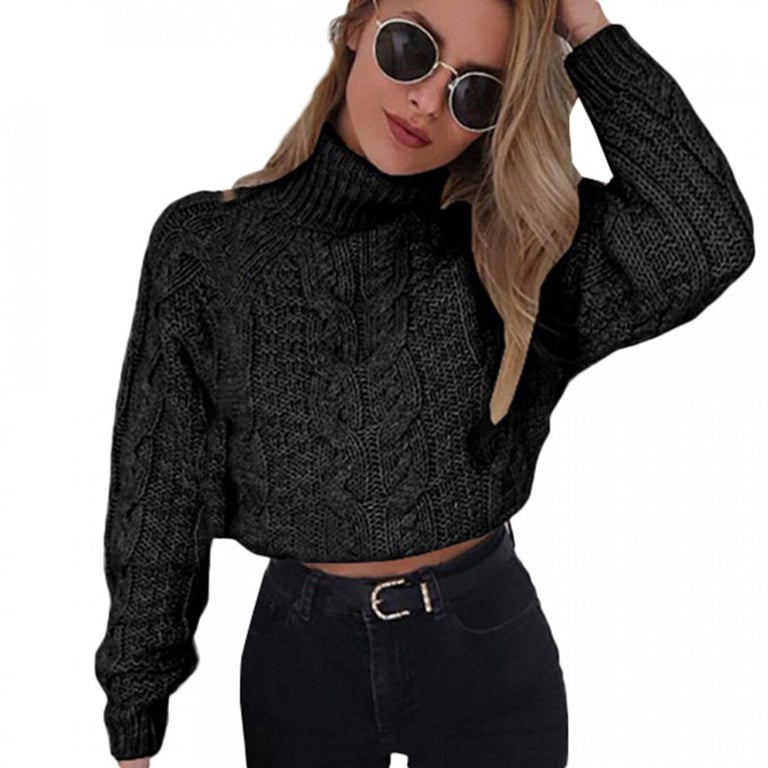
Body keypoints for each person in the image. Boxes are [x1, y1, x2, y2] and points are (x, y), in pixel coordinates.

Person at [94, 0, 755, 766]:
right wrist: (135, 714)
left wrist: (583, 25)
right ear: (357, 24)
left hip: (486, 652)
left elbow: (707, 237)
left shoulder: (517, 246)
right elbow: (161, 489)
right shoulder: (210, 248)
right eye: (411, 48)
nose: (427, 101)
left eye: (477, 91)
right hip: (303, 661)